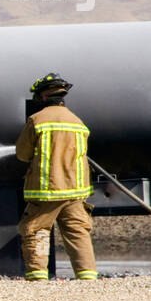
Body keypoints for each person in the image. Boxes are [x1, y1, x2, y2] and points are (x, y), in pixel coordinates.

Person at [15, 73, 98, 281]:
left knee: (35, 229)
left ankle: (38, 279)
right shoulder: (77, 122)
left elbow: (22, 154)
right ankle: (88, 278)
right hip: (75, 192)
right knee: (77, 232)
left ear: (43, 97)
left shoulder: (37, 120)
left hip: (48, 191)